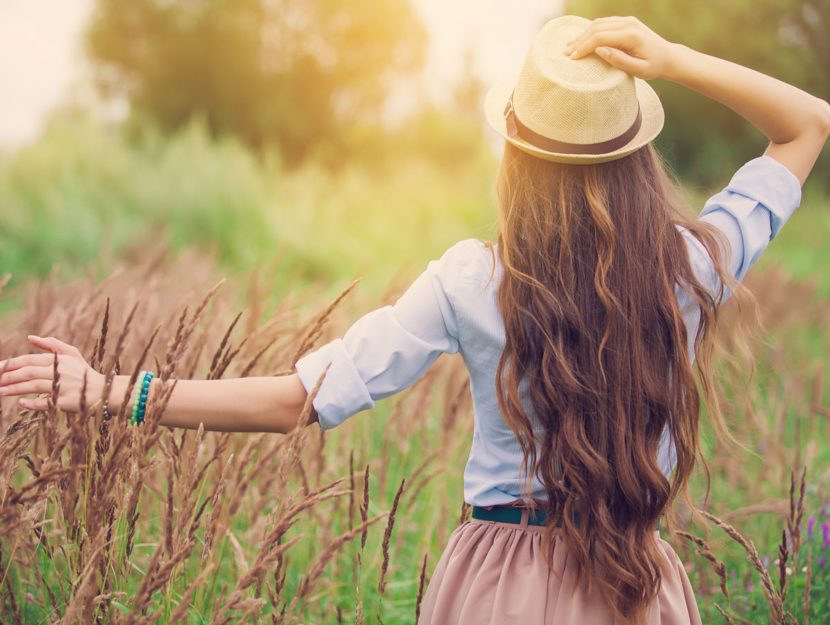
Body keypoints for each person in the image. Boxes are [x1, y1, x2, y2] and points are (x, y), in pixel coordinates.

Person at [1, 14, 828, 625]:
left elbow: (296, 399)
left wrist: (110, 388)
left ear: (517, 154)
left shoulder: (473, 278)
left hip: (495, 590)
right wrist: (674, 56)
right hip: (635, 588)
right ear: (637, 156)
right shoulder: (691, 265)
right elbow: (806, 124)